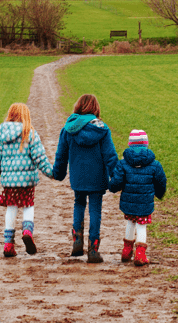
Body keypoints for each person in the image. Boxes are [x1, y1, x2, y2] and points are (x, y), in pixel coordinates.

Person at [52, 94, 119, 263]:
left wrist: (58, 173)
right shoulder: (102, 129)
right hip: (97, 178)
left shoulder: (69, 128)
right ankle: (93, 250)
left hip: (78, 177)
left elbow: (61, 155)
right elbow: (110, 156)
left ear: (78, 107)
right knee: (95, 209)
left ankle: (77, 241)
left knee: (79, 203)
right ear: (95, 108)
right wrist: (117, 177)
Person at [0, 103, 54, 257]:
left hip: (9, 183)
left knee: (11, 208)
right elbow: (40, 157)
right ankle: (27, 231)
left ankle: (8, 244)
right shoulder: (29, 133)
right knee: (28, 205)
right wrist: (51, 173)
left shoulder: (3, 136)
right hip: (27, 181)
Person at [109, 129, 167, 266]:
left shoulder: (123, 163)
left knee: (130, 223)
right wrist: (159, 194)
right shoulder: (154, 164)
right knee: (142, 226)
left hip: (128, 203)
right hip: (145, 202)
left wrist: (112, 187)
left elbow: (116, 182)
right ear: (146, 144)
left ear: (130, 144)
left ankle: (126, 251)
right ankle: (140, 254)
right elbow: (161, 182)